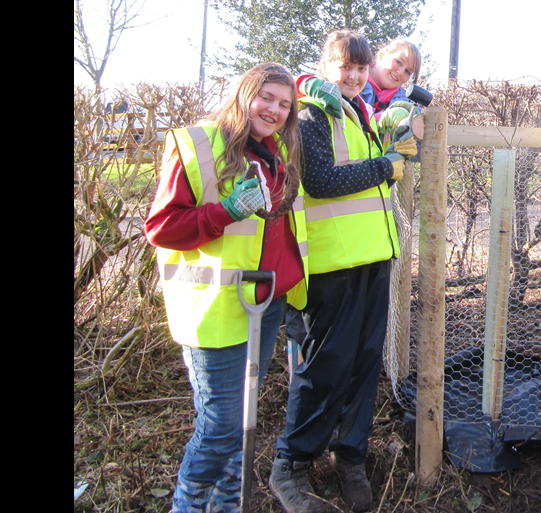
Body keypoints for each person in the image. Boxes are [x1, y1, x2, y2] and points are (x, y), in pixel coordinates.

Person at [145, 63, 309, 513]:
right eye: (266, 98)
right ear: (244, 94)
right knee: (220, 426)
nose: (274, 110)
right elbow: (161, 228)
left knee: (243, 418)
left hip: (266, 301)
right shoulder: (199, 144)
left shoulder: (278, 152)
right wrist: (225, 211)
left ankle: (225, 504)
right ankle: (187, 506)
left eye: (284, 104)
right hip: (215, 307)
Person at [268, 29, 418, 513]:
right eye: (344, 67)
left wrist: (393, 146)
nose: (353, 76)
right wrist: (385, 166)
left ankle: (350, 455)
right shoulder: (312, 113)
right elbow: (321, 181)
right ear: (325, 67)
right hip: (332, 266)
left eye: (359, 67)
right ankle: (290, 464)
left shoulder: (359, 112)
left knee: (363, 364)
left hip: (372, 258)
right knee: (324, 368)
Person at [359, 38, 424, 142]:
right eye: (398, 62)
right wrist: (380, 118)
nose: (400, 72)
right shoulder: (352, 82)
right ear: (382, 56)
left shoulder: (407, 104)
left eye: (407, 71)